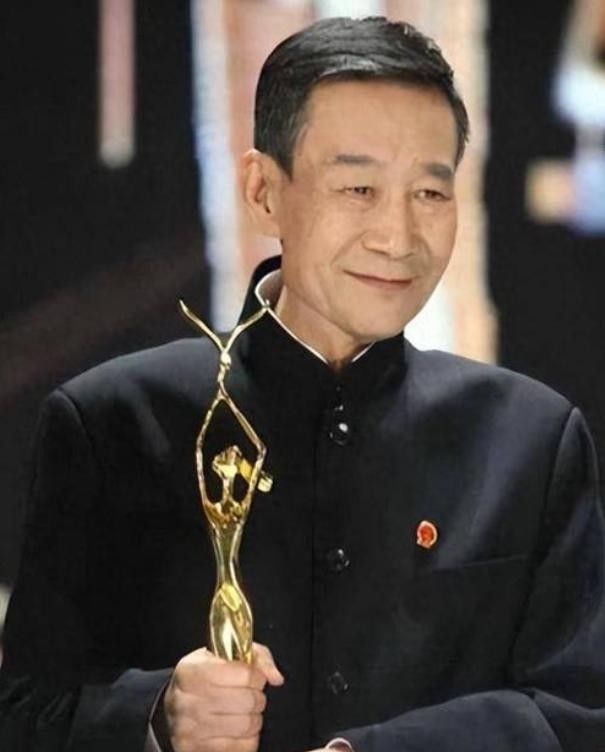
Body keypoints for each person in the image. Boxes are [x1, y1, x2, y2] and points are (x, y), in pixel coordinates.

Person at [1, 15, 605, 752]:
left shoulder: (531, 440)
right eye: (358, 187)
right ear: (263, 191)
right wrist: (155, 717)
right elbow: (22, 714)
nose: (397, 237)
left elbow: (580, 714)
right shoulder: (113, 424)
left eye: (429, 193)